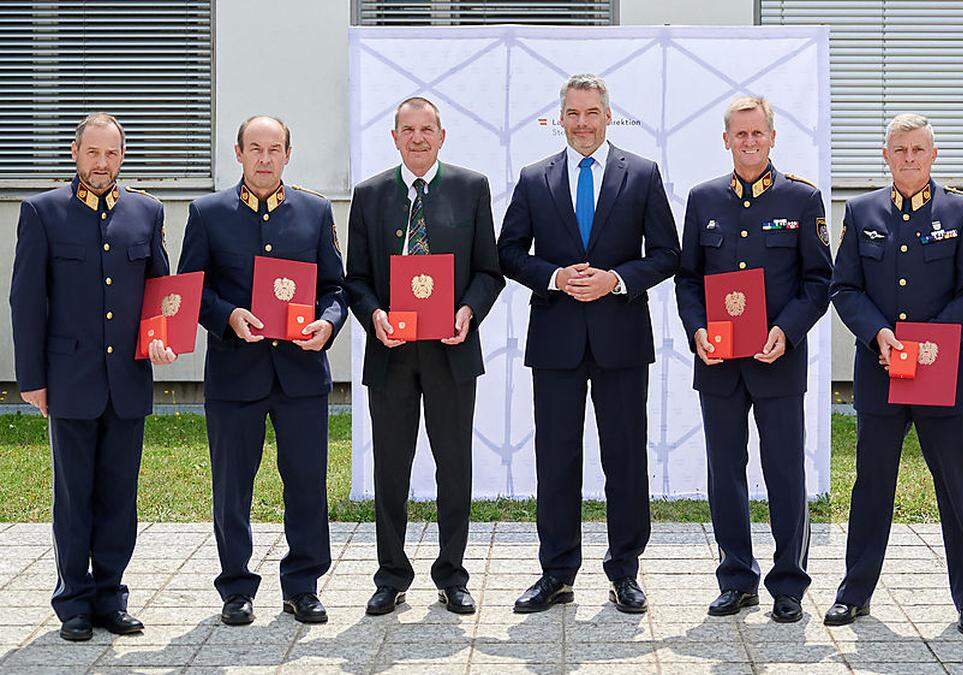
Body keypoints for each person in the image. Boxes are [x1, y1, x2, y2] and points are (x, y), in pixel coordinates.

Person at [496, 73, 680, 614]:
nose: (581, 123)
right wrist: (553, 277)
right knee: (556, 459)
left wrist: (616, 280)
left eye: (591, 113)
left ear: (608, 115)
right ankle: (556, 572)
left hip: (621, 338)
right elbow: (508, 252)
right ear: (560, 118)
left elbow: (667, 253)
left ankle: (625, 571)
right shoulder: (535, 178)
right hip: (555, 341)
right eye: (572, 114)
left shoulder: (641, 174)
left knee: (624, 460)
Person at [177, 115, 347, 626]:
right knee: (232, 486)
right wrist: (228, 315)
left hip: (299, 373)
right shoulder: (208, 213)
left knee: (306, 483)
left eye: (275, 149)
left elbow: (335, 288)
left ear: (288, 154)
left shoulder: (314, 212)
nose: (266, 158)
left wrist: (327, 324)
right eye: (256, 148)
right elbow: (190, 290)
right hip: (235, 373)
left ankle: (303, 585)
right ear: (239, 152)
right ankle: (235, 587)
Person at [827, 113, 963, 635]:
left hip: (940, 375)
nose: (909, 159)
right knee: (871, 487)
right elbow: (845, 288)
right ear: (885, 155)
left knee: (955, 489)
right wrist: (878, 333)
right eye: (899, 150)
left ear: (934, 155)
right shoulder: (861, 211)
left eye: (918, 150)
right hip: (880, 374)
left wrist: (930, 340)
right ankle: (855, 593)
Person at [10, 113, 173, 641]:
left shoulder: (146, 212)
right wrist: (32, 379)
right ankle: (73, 601)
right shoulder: (43, 212)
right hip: (70, 378)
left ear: (121, 158)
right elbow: (27, 301)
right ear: (75, 154)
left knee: (119, 495)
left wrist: (162, 336)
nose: (101, 165)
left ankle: (110, 596)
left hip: (127, 376)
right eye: (92, 153)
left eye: (111, 155)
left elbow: (160, 291)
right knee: (74, 493)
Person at [674, 96, 832, 623]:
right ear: (726, 141)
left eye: (757, 134)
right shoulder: (703, 200)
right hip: (719, 364)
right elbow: (688, 279)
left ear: (772, 137)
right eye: (739, 135)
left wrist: (786, 331)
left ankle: (788, 583)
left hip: (777, 360)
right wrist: (697, 328)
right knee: (726, 472)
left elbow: (818, 281)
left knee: (785, 471)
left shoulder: (802, 199)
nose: (749, 142)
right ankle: (736, 578)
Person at [344, 97, 504, 616]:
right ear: (394, 138)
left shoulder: (471, 187)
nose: (417, 138)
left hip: (451, 351)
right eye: (407, 130)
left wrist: (468, 312)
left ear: (441, 136)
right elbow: (356, 279)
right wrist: (374, 317)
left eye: (426, 129)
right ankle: (391, 574)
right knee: (392, 466)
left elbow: (489, 270)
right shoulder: (369, 195)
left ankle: (452, 574)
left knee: (453, 465)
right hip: (390, 351)